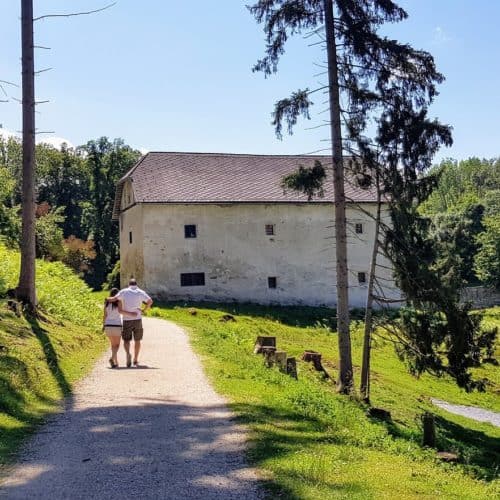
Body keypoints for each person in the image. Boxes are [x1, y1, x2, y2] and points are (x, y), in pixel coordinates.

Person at [111, 278, 153, 367]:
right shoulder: (140, 292)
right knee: (137, 340)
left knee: (126, 340)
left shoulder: (124, 291)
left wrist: (107, 299)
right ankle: (135, 359)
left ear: (129, 284)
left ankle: (128, 354)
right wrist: (143, 310)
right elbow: (150, 301)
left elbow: (115, 298)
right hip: (138, 319)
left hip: (127, 320)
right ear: (136, 284)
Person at [102, 288, 138, 368]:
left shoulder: (106, 302)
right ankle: (112, 358)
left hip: (108, 325)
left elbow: (105, 315)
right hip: (116, 325)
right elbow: (120, 311)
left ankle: (116, 362)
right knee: (117, 345)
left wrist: (103, 325)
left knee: (113, 345)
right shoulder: (119, 301)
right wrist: (131, 314)